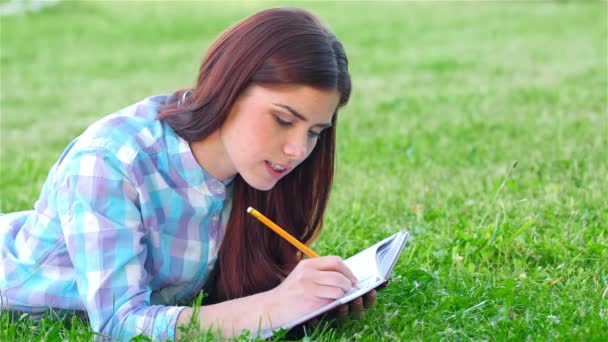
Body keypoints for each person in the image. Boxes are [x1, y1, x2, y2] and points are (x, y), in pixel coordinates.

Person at [0, 7, 376, 340]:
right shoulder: (110, 160)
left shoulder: (251, 169)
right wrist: (274, 307)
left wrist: (312, 296)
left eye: (314, 132)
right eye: (283, 120)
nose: (298, 150)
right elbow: (119, 325)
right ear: (230, 88)